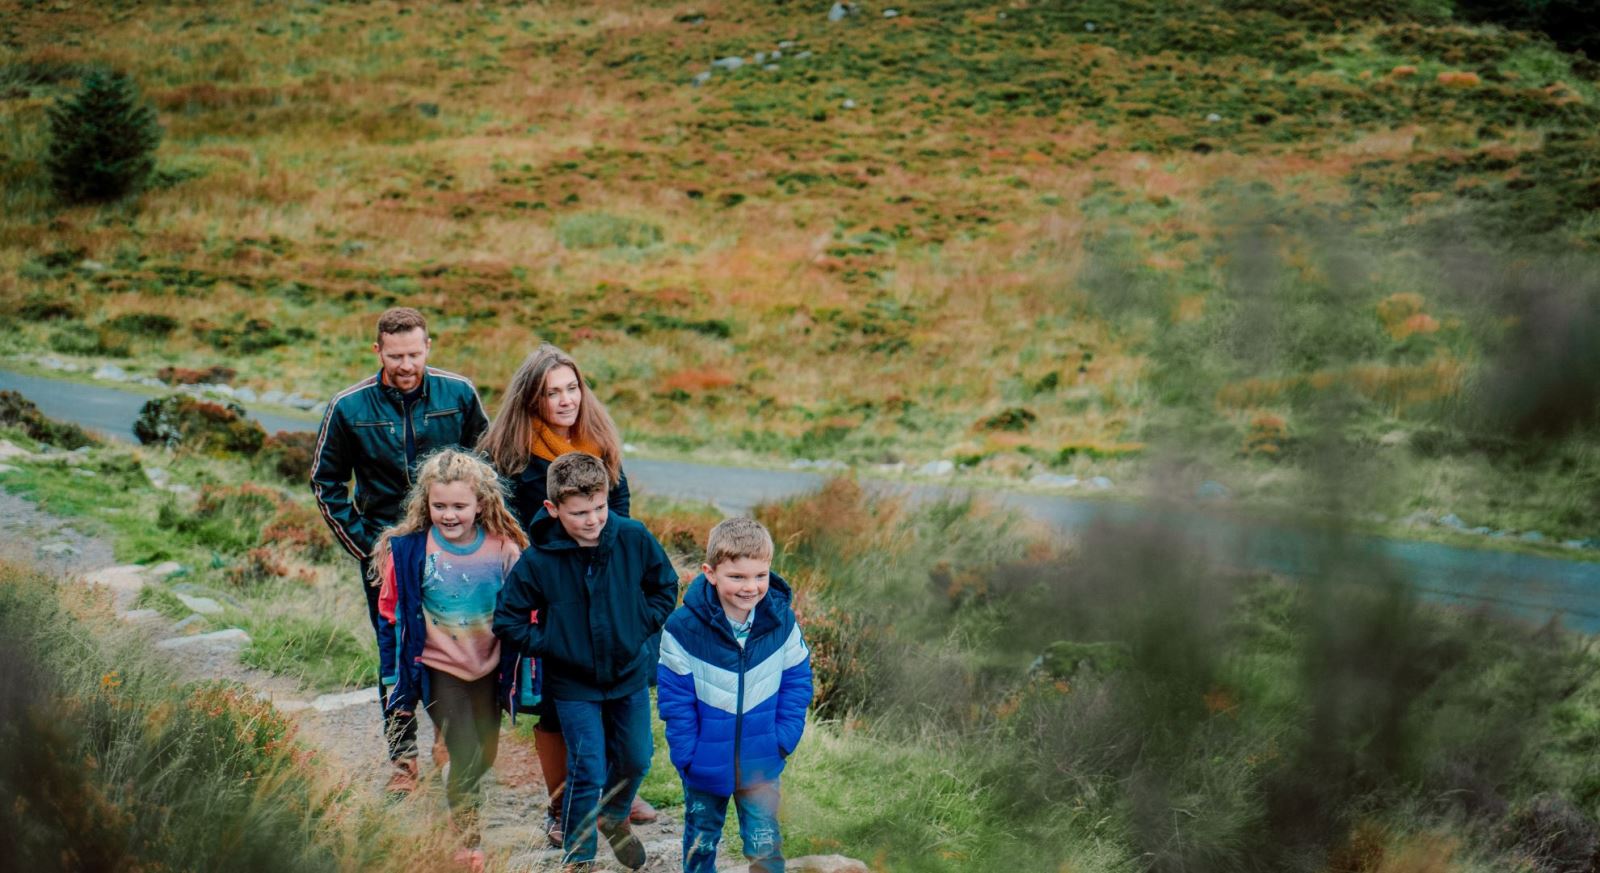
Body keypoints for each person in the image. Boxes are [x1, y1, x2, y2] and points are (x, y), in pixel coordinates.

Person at [477, 342, 655, 844]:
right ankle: (562, 806)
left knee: (621, 697)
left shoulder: (598, 439)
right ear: (531, 399)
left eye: (572, 388)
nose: (565, 400)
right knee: (559, 704)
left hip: (609, 586)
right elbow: (502, 524)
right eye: (552, 392)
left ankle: (615, 793)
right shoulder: (508, 456)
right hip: (550, 590)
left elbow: (620, 510)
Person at [310, 307, 490, 793]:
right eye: (395, 356)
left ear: (429, 346)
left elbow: (487, 467)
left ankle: (448, 740)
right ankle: (402, 760)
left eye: (413, 353)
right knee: (395, 653)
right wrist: (369, 549)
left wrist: (479, 540)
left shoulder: (459, 394)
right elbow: (325, 481)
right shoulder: (349, 407)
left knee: (450, 646)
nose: (406, 365)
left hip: (452, 550)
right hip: (386, 552)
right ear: (378, 352)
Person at [493, 452, 679, 873]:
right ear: (553, 509)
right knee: (587, 766)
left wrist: (637, 627)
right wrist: (556, 643)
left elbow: (665, 585)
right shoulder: (539, 560)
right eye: (579, 513)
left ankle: (614, 816)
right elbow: (508, 618)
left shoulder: (633, 537)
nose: (593, 520)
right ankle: (579, 859)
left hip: (628, 673)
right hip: (573, 683)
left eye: (599, 508)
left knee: (636, 758)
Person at [370, 449, 528, 869]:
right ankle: (468, 843)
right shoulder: (412, 551)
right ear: (426, 504)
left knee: (486, 753)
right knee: (466, 751)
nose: (449, 515)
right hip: (439, 668)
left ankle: (455, 790)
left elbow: (525, 605)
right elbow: (391, 607)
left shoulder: (503, 549)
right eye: (439, 506)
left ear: (481, 503)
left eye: (459, 506)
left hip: (489, 669)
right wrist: (397, 661)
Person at [657, 518, 813, 873]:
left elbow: (798, 682)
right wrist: (687, 755)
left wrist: (783, 740)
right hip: (703, 765)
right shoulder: (682, 628)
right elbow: (674, 699)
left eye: (760, 575)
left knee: (764, 845)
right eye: (737, 577)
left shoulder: (782, 624)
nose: (751, 587)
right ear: (710, 573)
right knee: (701, 843)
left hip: (762, 763)